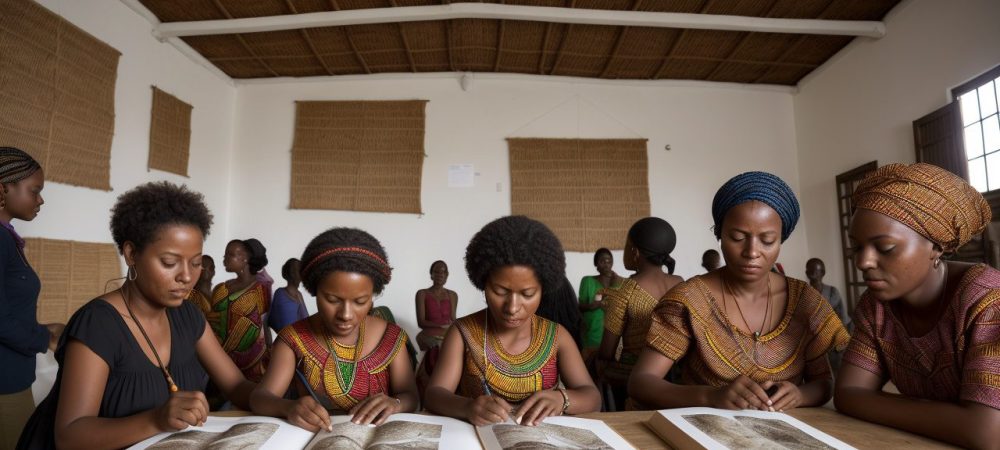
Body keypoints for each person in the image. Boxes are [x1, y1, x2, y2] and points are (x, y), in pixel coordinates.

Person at [17, 181, 255, 449]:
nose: (186, 276)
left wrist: (286, 406)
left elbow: (236, 386)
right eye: (169, 262)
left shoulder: (189, 317)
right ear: (131, 254)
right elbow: (70, 435)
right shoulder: (99, 324)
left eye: (196, 262)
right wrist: (156, 419)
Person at [629, 171, 850, 412]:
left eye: (767, 240)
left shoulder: (806, 302)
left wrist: (800, 395)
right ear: (719, 235)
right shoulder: (690, 301)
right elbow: (641, 383)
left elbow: (824, 383)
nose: (752, 252)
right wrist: (710, 397)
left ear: (781, 241)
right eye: (737, 237)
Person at [835, 163, 1000, 449]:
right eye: (857, 247)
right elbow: (848, 394)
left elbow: (987, 434)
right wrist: (961, 421)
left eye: (884, 248)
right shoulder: (875, 307)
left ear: (937, 247)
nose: (863, 262)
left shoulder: (987, 300)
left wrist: (875, 403)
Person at [424, 216, 601, 426]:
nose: (512, 307)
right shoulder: (463, 332)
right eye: (500, 291)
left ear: (543, 289)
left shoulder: (557, 336)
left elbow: (592, 397)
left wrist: (562, 398)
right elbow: (434, 394)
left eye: (527, 294)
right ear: (483, 283)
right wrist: (468, 407)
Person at [250, 228, 417, 430]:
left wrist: (395, 404)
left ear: (372, 296)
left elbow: (411, 397)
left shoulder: (390, 338)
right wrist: (288, 407)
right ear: (314, 290)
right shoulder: (293, 339)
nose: (346, 314)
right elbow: (260, 398)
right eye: (332, 299)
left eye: (360, 301)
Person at [0, 147, 62, 450]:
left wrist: (43, 327)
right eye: (34, 190)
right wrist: (45, 339)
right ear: (3, 188)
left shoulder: (7, 237)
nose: (40, 199)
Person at [597, 217, 683, 409]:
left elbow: (607, 352)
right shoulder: (681, 284)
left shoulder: (626, 291)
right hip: (677, 375)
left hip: (635, 376)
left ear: (634, 252)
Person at [209, 238, 271, 382]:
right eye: (224, 255)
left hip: (251, 362)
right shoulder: (221, 288)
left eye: (229, 255)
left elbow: (264, 323)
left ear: (245, 259)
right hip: (216, 358)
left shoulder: (261, 289)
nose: (224, 259)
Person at [577, 248, 623, 358]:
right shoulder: (587, 281)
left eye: (609, 261)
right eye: (602, 261)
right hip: (592, 332)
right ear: (596, 264)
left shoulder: (619, 283)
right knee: (589, 365)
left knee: (608, 368)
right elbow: (579, 307)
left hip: (612, 335)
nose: (606, 265)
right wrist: (592, 306)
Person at [414, 260, 458, 352]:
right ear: (431, 274)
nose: (440, 275)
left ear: (447, 275)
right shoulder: (422, 294)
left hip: (448, 334)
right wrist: (442, 325)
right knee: (438, 348)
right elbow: (421, 322)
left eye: (443, 272)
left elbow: (453, 319)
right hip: (429, 334)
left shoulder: (453, 295)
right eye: (436, 272)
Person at [268, 258, 308, 333]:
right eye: (298, 270)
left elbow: (306, 322)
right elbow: (272, 321)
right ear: (291, 273)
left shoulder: (299, 294)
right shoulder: (280, 294)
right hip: (288, 341)